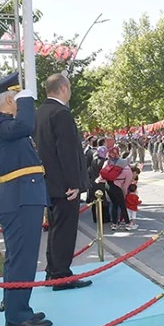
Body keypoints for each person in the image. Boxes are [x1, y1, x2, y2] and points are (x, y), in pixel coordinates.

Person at [0, 72, 52, 326]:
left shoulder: (2, 126)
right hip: (19, 198)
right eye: (17, 99)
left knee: (20, 257)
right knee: (22, 258)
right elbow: (25, 126)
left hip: (21, 196)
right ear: (10, 100)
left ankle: (17, 307)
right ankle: (17, 314)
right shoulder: (0, 126)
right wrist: (27, 99)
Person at [34, 73, 91, 291]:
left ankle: (53, 271)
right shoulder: (61, 113)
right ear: (64, 88)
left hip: (49, 182)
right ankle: (61, 275)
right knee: (64, 231)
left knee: (55, 229)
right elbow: (66, 151)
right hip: (65, 185)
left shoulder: (40, 112)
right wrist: (74, 183)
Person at [101, 147, 133, 230]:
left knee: (114, 204)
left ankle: (114, 224)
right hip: (117, 186)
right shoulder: (122, 162)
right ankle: (127, 223)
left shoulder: (107, 162)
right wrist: (132, 150)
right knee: (122, 205)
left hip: (108, 185)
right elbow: (128, 160)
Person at [88, 146, 110, 225]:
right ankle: (104, 218)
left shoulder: (94, 160)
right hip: (102, 183)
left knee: (94, 201)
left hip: (93, 183)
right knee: (103, 201)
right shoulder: (105, 162)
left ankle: (95, 218)